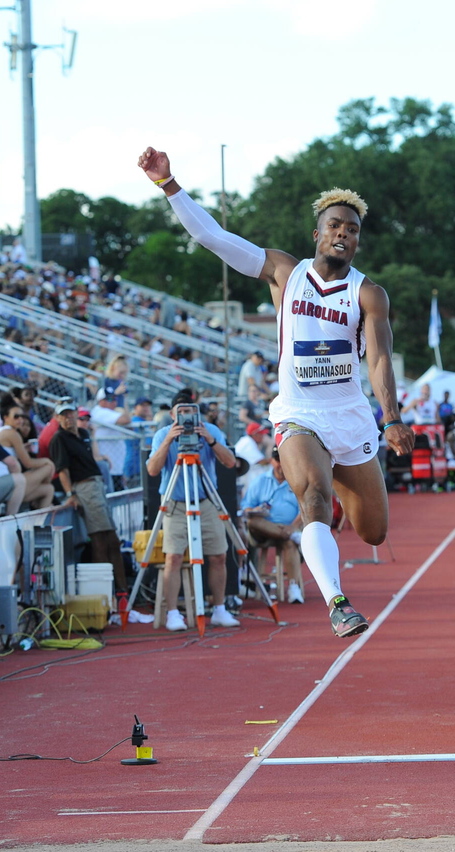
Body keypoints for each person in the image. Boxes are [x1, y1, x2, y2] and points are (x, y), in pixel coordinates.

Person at [140, 146, 413, 638]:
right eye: (335, 225)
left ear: (358, 241)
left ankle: (335, 550)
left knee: (373, 530)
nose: (343, 234)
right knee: (312, 494)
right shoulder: (286, 274)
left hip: (349, 414)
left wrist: (390, 417)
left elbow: (377, 359)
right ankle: (337, 601)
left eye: (352, 229)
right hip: (298, 412)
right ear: (318, 233)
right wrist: (169, 184)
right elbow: (213, 237)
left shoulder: (368, 293)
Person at [146, 390, 239, 631]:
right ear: (172, 414)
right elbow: (153, 470)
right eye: (182, 412)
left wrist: (210, 439)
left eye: (191, 411)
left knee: (219, 555)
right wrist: (169, 441)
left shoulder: (210, 431)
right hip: (176, 504)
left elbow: (230, 463)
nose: (187, 417)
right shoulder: (162, 434)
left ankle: (219, 609)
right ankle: (173, 614)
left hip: (206, 500)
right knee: (173, 557)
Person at [49, 402, 146, 620]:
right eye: (63, 415)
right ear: (57, 418)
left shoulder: (82, 434)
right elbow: (62, 469)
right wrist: (71, 494)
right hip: (85, 487)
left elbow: (89, 458)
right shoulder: (59, 439)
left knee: (108, 538)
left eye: (70, 413)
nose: (68, 418)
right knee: (104, 538)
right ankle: (113, 599)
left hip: (95, 485)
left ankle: (117, 598)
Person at [243, 447, 306, 604]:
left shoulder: (297, 481)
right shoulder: (260, 480)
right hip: (263, 529)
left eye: (284, 460)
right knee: (252, 521)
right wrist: (255, 510)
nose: (280, 464)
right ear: (271, 461)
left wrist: (292, 527)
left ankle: (293, 587)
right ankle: (293, 536)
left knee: (290, 543)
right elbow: (245, 507)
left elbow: (304, 509)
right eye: (277, 460)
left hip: (289, 527)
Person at [234, 421, 272, 492]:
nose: (263, 437)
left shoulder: (247, 441)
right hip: (243, 480)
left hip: (243, 478)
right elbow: (262, 462)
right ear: (255, 434)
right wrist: (270, 446)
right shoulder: (247, 442)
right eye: (261, 434)